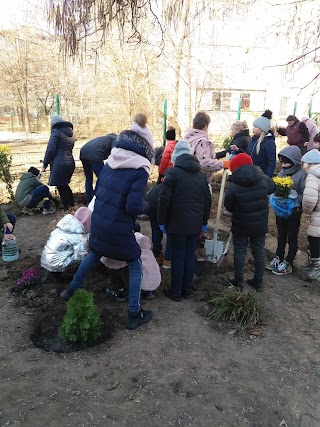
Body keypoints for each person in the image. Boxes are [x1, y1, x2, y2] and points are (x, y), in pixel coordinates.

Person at [60, 129, 154, 330]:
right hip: (118, 227)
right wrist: (148, 205)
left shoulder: (111, 162)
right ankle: (134, 313)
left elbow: (97, 191)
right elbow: (133, 207)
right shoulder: (139, 169)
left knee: (94, 253)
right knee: (135, 263)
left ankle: (70, 291)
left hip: (100, 223)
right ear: (146, 149)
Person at [158, 140, 212, 301]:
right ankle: (187, 288)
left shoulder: (172, 174)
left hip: (177, 224)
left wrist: (162, 221)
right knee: (190, 255)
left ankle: (176, 291)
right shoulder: (201, 175)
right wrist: (203, 222)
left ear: (175, 159)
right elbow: (207, 200)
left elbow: (164, 200)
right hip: (195, 224)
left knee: (178, 256)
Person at [224, 153, 276, 292]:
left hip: (241, 225)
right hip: (259, 224)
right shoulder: (264, 179)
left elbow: (228, 205)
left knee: (240, 251)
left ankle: (238, 282)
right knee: (258, 250)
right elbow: (273, 188)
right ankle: (258, 282)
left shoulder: (234, 186)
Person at [267, 146, 306, 275]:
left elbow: (305, 193)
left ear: (295, 162)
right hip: (281, 210)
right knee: (281, 234)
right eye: (282, 162)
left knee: (292, 236)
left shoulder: (301, 175)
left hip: (294, 211)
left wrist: (295, 198)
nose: (284, 165)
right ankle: (279, 256)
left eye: (287, 162)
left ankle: (289, 260)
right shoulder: (281, 173)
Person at [101, 226, 161, 301]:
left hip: (138, 285)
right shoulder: (146, 246)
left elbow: (109, 262)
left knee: (118, 266)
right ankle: (149, 292)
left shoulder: (128, 244)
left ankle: (119, 289)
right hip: (156, 282)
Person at [41, 207, 92, 274]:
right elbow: (81, 257)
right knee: (83, 254)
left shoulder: (62, 226)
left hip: (45, 260)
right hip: (58, 265)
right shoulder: (80, 237)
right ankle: (67, 274)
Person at [42, 114, 76, 211]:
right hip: (70, 162)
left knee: (61, 185)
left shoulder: (56, 132)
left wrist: (45, 163)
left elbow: (50, 149)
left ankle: (67, 207)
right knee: (65, 184)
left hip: (60, 163)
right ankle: (72, 205)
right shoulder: (70, 133)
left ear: (53, 124)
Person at [185, 111, 224, 181]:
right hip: (199, 180)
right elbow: (204, 162)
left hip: (186, 177)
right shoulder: (202, 142)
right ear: (205, 125)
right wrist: (222, 164)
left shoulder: (187, 139)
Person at [80, 134, 117, 204]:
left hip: (83, 153)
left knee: (88, 178)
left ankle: (89, 200)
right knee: (103, 178)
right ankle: (96, 198)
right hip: (95, 155)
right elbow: (114, 153)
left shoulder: (105, 138)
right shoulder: (115, 139)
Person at [300, 149, 320, 279]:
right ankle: (312, 263)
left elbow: (309, 198)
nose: (302, 166)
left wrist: (306, 210)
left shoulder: (313, 175)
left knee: (314, 239)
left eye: (303, 163)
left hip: (318, 213)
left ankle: (316, 267)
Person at [145, 182, 171, 268]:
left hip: (150, 203)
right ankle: (168, 259)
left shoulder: (166, 183)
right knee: (171, 232)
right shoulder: (177, 186)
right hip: (157, 205)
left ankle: (157, 255)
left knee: (156, 229)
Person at [247, 110, 276, 177]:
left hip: (261, 176)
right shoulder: (253, 139)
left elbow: (271, 162)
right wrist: (238, 150)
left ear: (262, 128)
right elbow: (249, 154)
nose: (253, 129)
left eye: (255, 127)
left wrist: (267, 178)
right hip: (251, 174)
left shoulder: (269, 143)